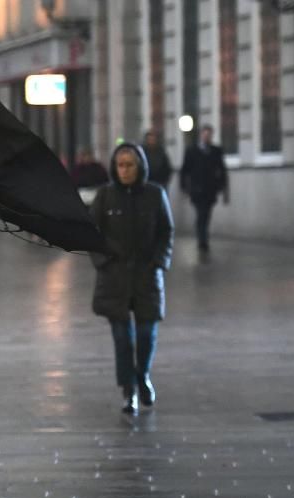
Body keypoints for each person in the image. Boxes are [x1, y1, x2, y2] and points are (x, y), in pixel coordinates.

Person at [89, 143, 174, 416]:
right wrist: (103, 262)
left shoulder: (155, 194)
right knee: (122, 338)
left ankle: (142, 375)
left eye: (130, 165)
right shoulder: (105, 196)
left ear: (140, 167)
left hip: (147, 276)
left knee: (146, 334)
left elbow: (166, 231)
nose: (124, 170)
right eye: (120, 165)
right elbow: (91, 232)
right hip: (115, 277)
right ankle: (129, 390)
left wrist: (160, 262)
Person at [180, 125, 228, 253]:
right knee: (201, 214)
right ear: (201, 135)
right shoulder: (192, 151)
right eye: (205, 134)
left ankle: (203, 237)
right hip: (197, 189)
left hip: (210, 190)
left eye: (209, 135)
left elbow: (222, 169)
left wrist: (222, 187)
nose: (207, 137)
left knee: (206, 214)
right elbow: (185, 170)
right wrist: (184, 187)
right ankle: (202, 240)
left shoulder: (216, 151)